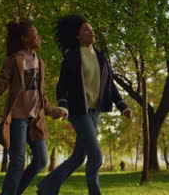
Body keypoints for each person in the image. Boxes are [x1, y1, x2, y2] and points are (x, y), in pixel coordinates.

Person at [37, 14, 132, 195]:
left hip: (94, 112)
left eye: (91, 29)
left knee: (78, 157)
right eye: (86, 30)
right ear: (77, 36)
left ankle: (46, 187)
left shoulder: (101, 57)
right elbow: (62, 87)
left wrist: (123, 106)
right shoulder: (71, 57)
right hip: (78, 111)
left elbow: (110, 84)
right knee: (96, 155)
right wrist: (63, 106)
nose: (91, 32)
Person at [0, 20, 67, 195]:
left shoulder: (40, 62)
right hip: (18, 118)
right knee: (18, 162)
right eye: (35, 34)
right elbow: (0, 83)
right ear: (24, 38)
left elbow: (41, 94)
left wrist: (52, 111)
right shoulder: (14, 60)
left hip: (37, 119)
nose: (39, 36)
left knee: (41, 160)